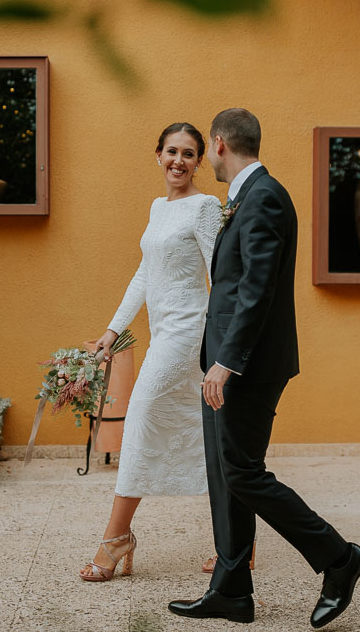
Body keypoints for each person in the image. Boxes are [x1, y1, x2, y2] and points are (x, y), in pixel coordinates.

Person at [168, 108, 360, 628]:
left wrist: (225, 363)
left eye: (203, 151)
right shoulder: (247, 196)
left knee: (243, 472)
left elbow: (256, 292)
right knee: (225, 472)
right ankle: (231, 590)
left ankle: (340, 559)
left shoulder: (263, 198)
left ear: (217, 145)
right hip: (230, 362)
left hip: (246, 366)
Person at [79, 122, 221, 581]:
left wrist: (228, 343)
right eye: (171, 151)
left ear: (200, 161)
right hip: (161, 331)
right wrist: (111, 331)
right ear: (157, 155)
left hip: (188, 330)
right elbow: (144, 273)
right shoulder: (159, 207)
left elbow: (222, 274)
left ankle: (115, 537)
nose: (178, 161)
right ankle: (238, 539)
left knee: (138, 412)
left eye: (189, 153)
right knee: (208, 434)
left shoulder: (205, 207)